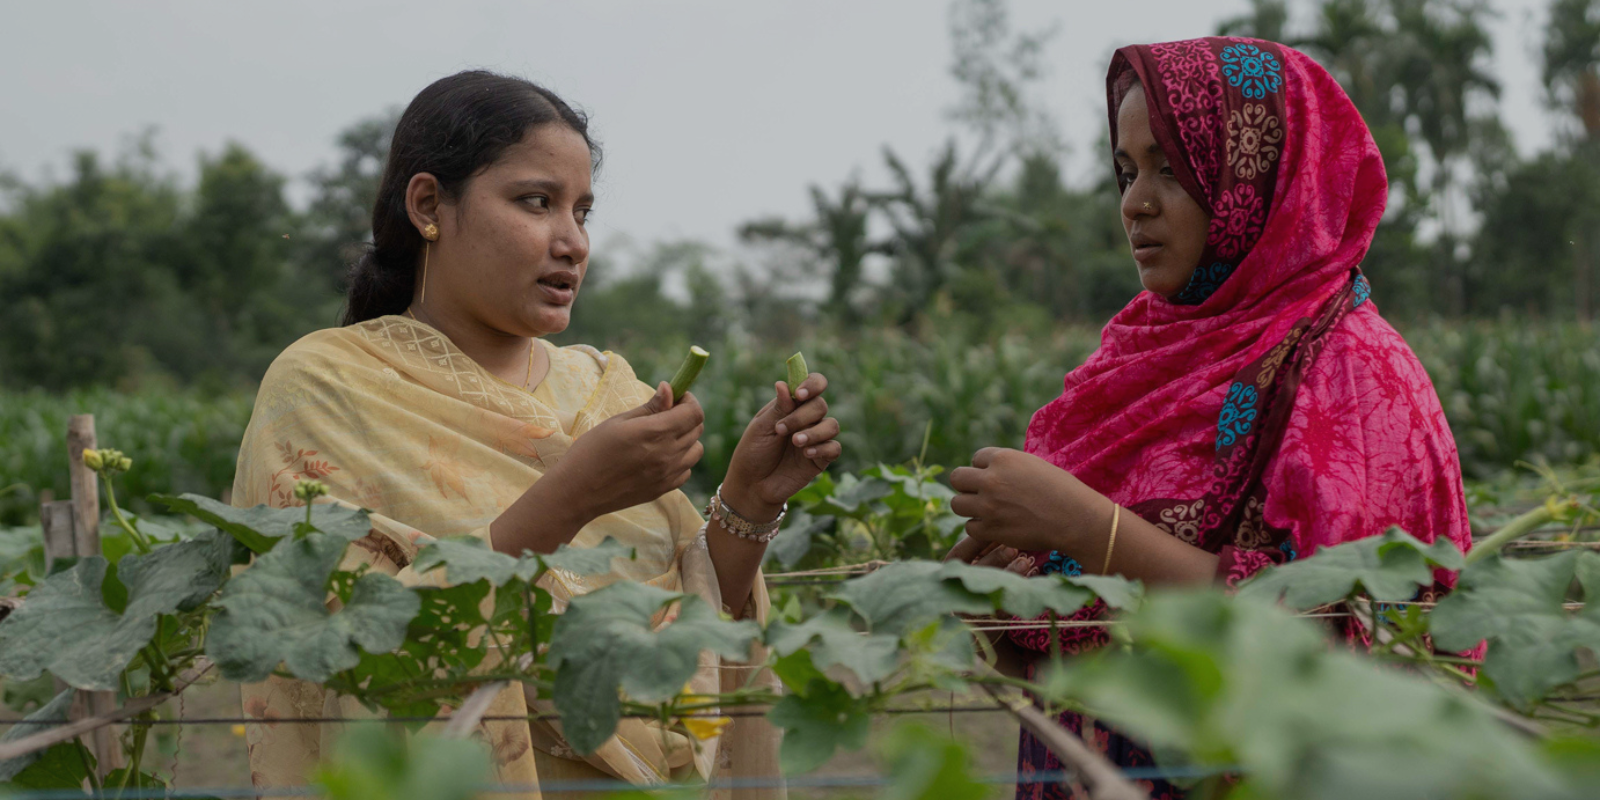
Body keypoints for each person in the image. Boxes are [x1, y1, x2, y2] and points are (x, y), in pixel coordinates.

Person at [233, 70, 840, 798]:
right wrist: (572, 498)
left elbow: (684, 654)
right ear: (429, 204)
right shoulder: (327, 387)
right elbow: (355, 658)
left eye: (582, 212)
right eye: (535, 202)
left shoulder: (610, 392)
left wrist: (747, 504)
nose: (572, 242)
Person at [944, 38, 1474, 800]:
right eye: (1126, 172)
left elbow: (1355, 645)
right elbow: (1066, 653)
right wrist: (1005, 607)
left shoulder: (1354, 374)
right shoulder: (1132, 363)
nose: (1135, 201)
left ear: (1255, 176)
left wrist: (1087, 529)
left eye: (1171, 168)